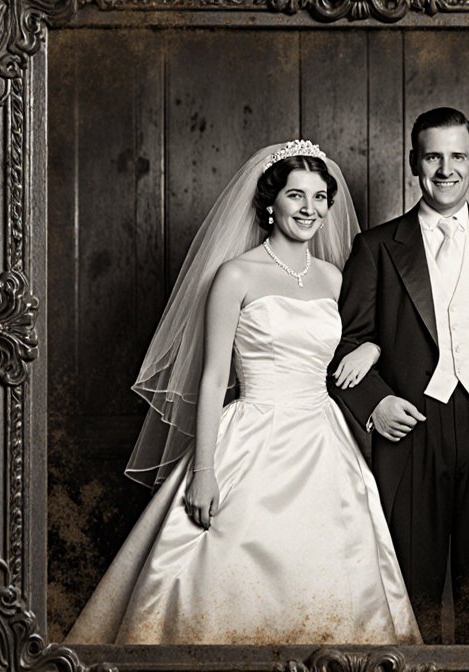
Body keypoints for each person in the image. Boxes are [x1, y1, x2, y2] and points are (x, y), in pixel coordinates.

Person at [64, 141, 421, 646]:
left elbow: (351, 344)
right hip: (253, 434)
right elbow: (212, 378)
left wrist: (374, 351)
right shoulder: (236, 275)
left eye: (320, 198)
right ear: (270, 202)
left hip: (325, 441)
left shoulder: (333, 277)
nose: (310, 209)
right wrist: (204, 472)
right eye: (296, 195)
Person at [329, 108, 469, 644]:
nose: (445, 169)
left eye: (457, 156)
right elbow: (340, 342)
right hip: (410, 434)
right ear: (414, 163)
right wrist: (374, 405)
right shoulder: (377, 247)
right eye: (433, 156)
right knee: (411, 598)